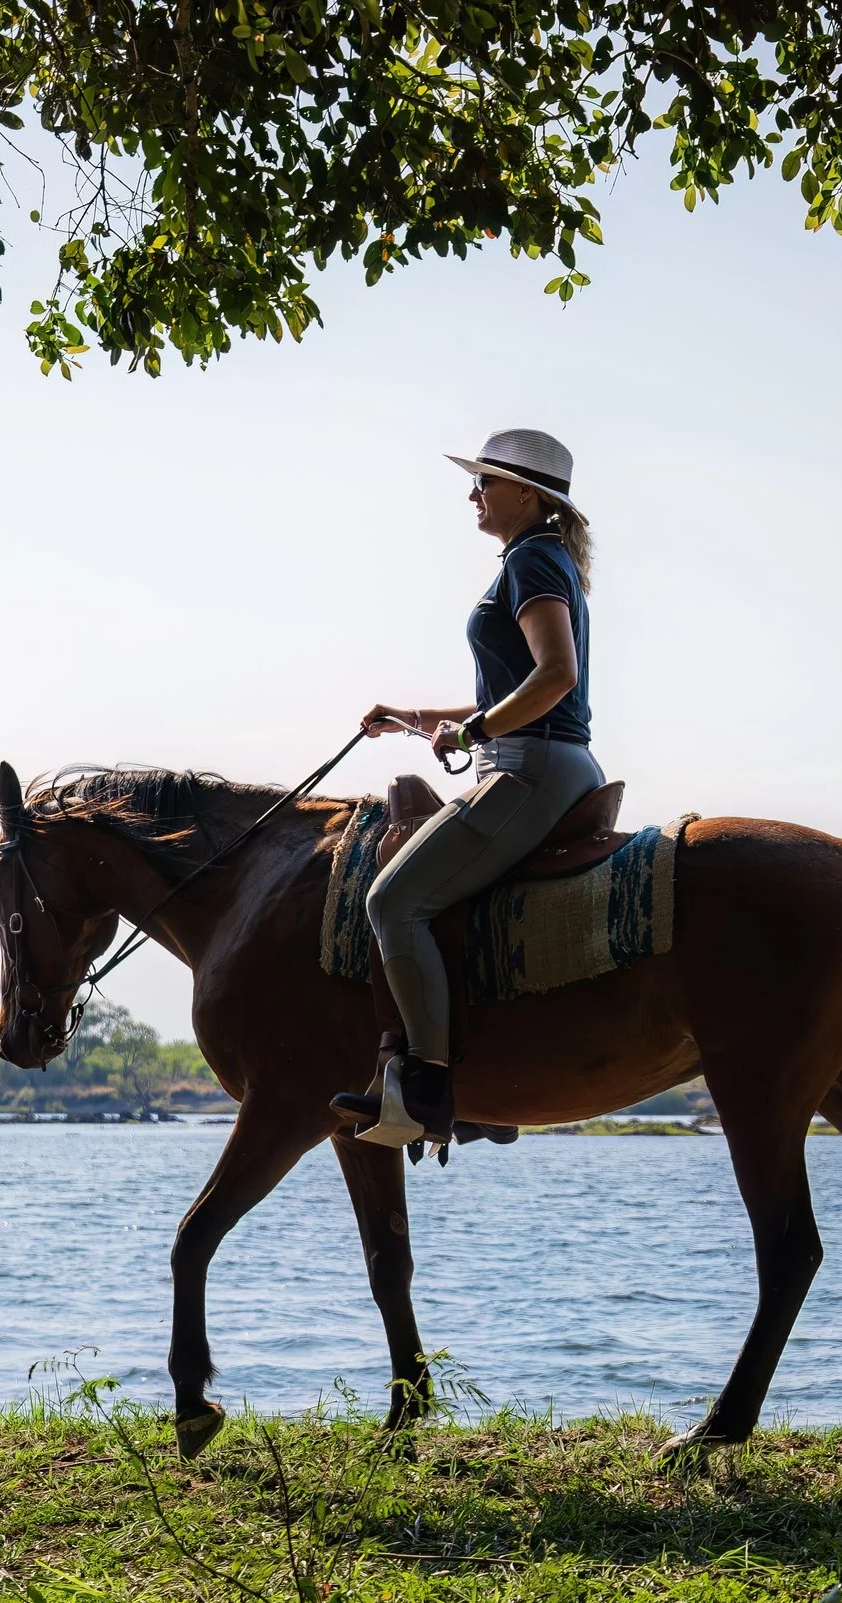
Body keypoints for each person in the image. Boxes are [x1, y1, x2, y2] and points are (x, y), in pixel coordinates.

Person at [335, 428, 604, 1149]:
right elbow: (512, 689)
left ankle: (427, 1083)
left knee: (391, 899)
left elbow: (554, 678)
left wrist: (477, 732)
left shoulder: (534, 559)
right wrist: (415, 718)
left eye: (484, 481)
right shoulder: (533, 558)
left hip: (531, 768)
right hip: (530, 757)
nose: (472, 493)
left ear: (526, 493)